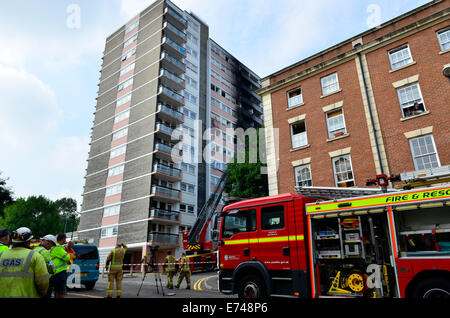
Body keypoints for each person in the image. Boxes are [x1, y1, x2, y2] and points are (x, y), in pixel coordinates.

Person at [0, 227, 49, 297]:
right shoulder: (35, 256)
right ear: (29, 241)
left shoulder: (1, 255)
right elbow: (43, 282)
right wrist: (42, 293)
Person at [49, 233, 71, 298]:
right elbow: (67, 257)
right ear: (63, 239)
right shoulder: (58, 247)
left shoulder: (53, 247)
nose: (66, 240)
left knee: (57, 292)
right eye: (65, 239)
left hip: (53, 273)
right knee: (62, 293)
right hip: (59, 273)